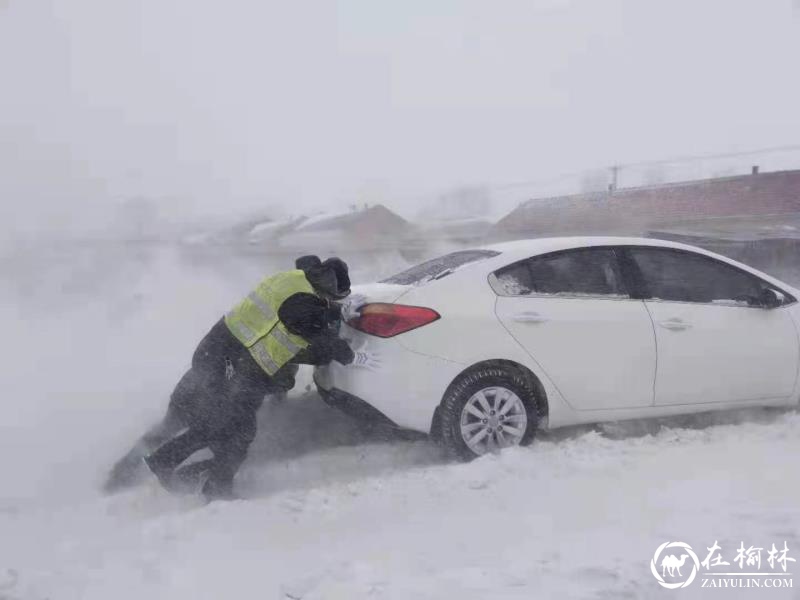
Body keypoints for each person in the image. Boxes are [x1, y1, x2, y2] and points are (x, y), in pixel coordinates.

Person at [104, 255, 375, 500]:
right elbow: (311, 331)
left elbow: (299, 311)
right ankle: (193, 478)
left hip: (213, 354)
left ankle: (123, 476)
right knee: (231, 431)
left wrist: (336, 311)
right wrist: (350, 355)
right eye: (333, 298)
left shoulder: (296, 280)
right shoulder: (303, 310)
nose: (331, 303)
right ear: (325, 290)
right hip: (233, 368)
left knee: (178, 421)